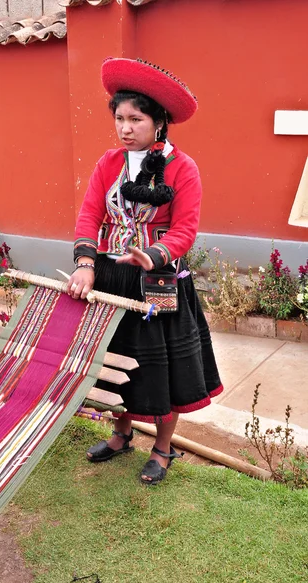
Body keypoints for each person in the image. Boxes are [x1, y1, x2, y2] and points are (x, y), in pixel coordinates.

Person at [67, 57, 223, 485]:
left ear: (159, 123)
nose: (125, 127)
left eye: (136, 118)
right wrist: (85, 265)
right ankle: (121, 433)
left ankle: (162, 448)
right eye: (119, 118)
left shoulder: (182, 168)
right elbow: (88, 217)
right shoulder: (107, 163)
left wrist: (151, 255)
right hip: (112, 276)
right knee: (115, 358)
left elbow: (185, 230)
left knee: (161, 367)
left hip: (159, 280)